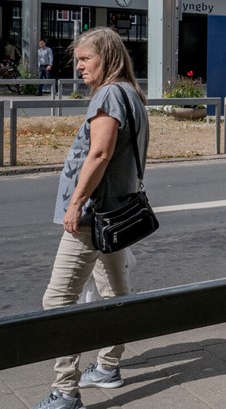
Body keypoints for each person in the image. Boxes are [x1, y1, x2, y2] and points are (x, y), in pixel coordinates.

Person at [34, 27, 149, 409]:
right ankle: (109, 366)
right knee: (116, 294)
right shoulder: (131, 93)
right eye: (78, 59)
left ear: (108, 58)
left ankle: (65, 391)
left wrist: (75, 203)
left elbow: (99, 155)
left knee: (57, 301)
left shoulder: (110, 95)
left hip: (91, 218)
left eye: (86, 59)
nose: (78, 66)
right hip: (114, 214)